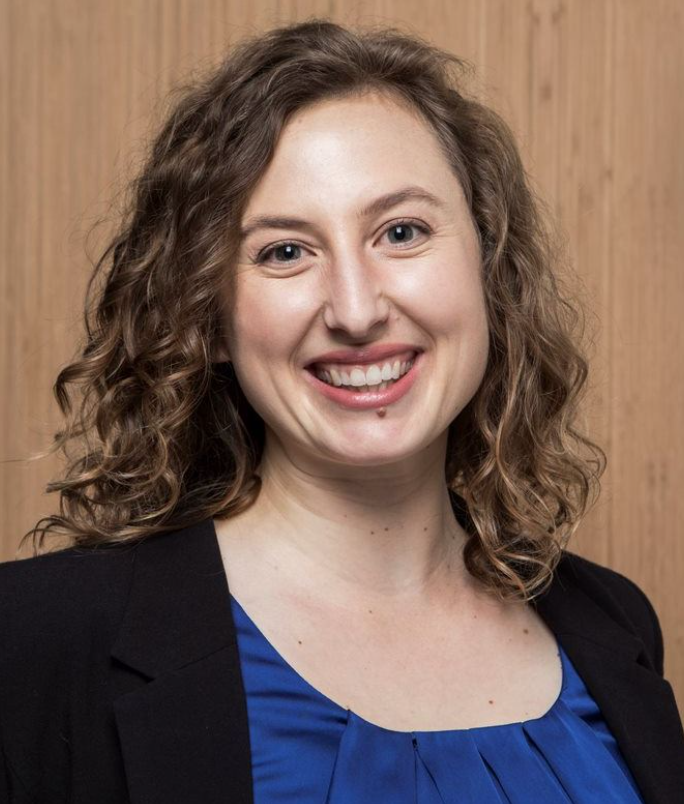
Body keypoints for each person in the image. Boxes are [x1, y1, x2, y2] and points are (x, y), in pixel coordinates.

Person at [0, 17, 682, 804]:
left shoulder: (614, 626)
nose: (356, 311)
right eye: (284, 251)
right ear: (207, 315)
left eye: (402, 231)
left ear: (487, 268)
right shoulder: (33, 642)